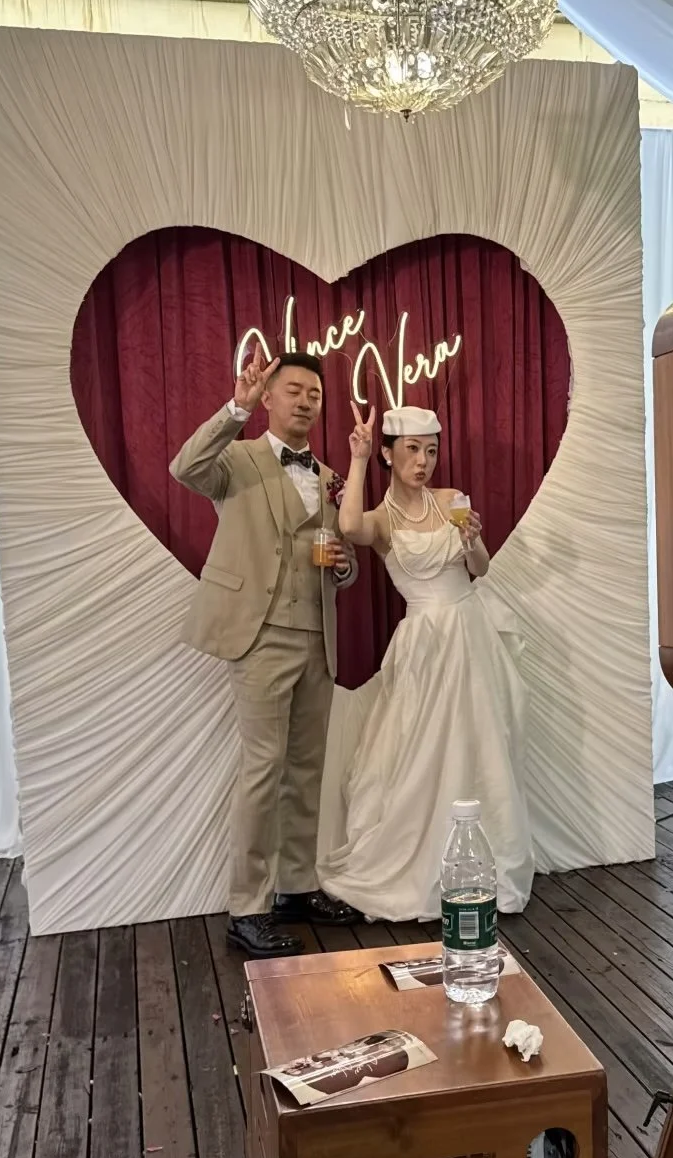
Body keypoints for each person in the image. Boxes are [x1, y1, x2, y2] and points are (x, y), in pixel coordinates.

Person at [170, 348, 363, 958]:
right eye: (294, 390)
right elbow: (185, 467)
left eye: (315, 394)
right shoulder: (238, 459)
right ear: (271, 396)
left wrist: (343, 566)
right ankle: (246, 908)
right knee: (262, 768)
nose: (306, 401)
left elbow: (344, 562)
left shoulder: (328, 475)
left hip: (317, 635)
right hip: (259, 634)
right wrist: (236, 408)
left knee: (307, 768)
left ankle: (296, 887)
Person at [319, 401, 534, 921]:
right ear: (389, 455)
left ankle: (485, 863)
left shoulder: (451, 500)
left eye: (431, 451)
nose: (423, 461)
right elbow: (348, 525)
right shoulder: (380, 520)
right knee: (421, 748)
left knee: (482, 743)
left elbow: (479, 569)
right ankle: (419, 861)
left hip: (470, 632)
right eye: (413, 450)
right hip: (424, 642)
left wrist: (473, 540)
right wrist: (358, 457)